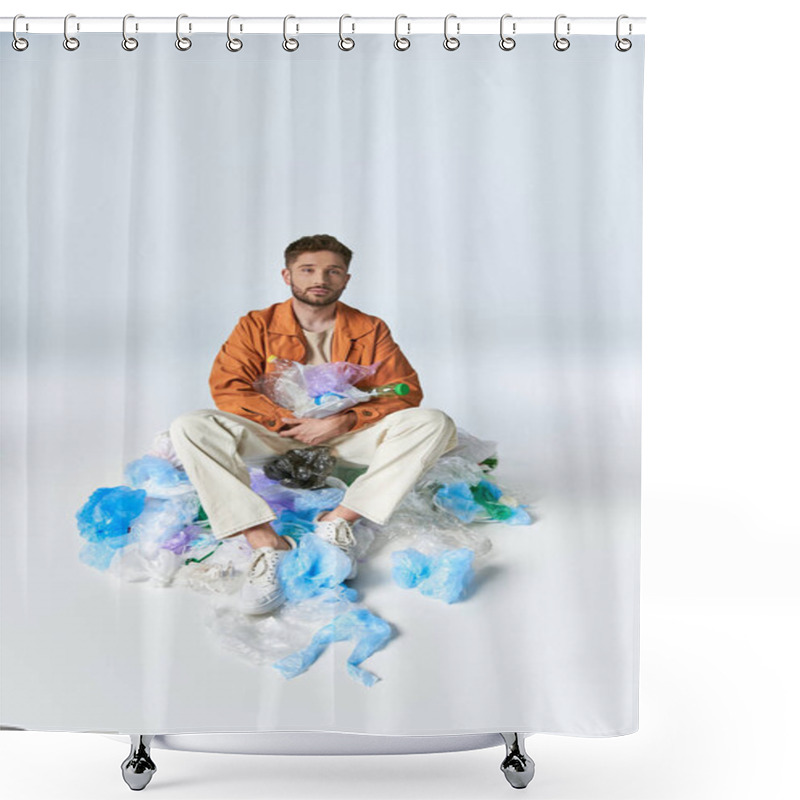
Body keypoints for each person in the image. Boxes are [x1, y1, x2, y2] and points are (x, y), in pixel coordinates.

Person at [169, 234, 459, 615]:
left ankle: (338, 522)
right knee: (191, 425)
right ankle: (266, 543)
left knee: (433, 422)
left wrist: (345, 420)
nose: (320, 278)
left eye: (332, 271)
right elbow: (228, 387)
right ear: (287, 275)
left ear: (346, 280)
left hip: (344, 439)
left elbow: (405, 392)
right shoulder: (256, 325)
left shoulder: (369, 328)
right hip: (276, 436)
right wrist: (287, 420)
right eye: (308, 270)